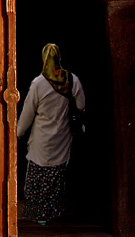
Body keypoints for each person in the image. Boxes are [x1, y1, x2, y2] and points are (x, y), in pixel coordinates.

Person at [17, 43, 85, 225]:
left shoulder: (38, 84)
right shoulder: (72, 80)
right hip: (62, 136)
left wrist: (18, 132)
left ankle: (36, 213)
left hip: (41, 138)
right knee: (55, 175)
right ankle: (51, 212)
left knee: (37, 174)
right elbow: (81, 106)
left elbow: (28, 112)